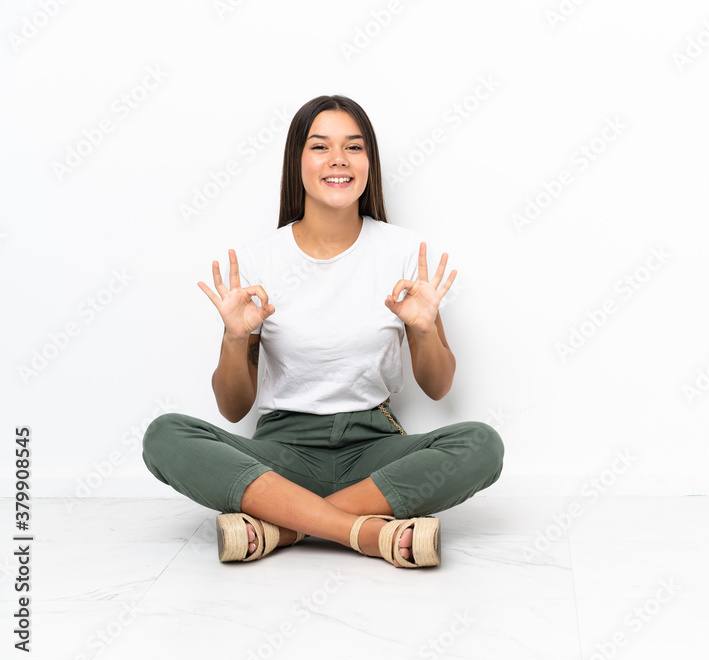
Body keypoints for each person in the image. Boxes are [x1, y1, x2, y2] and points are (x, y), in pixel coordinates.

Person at [142, 95, 504, 568]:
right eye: (320, 146)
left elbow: (438, 387)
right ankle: (368, 533)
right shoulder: (259, 262)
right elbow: (233, 409)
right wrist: (235, 339)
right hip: (281, 457)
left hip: (374, 452)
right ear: (298, 162)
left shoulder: (404, 252)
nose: (338, 159)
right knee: (164, 435)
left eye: (353, 147)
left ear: (368, 163)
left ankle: (285, 527)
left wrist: (421, 328)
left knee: (482, 445)